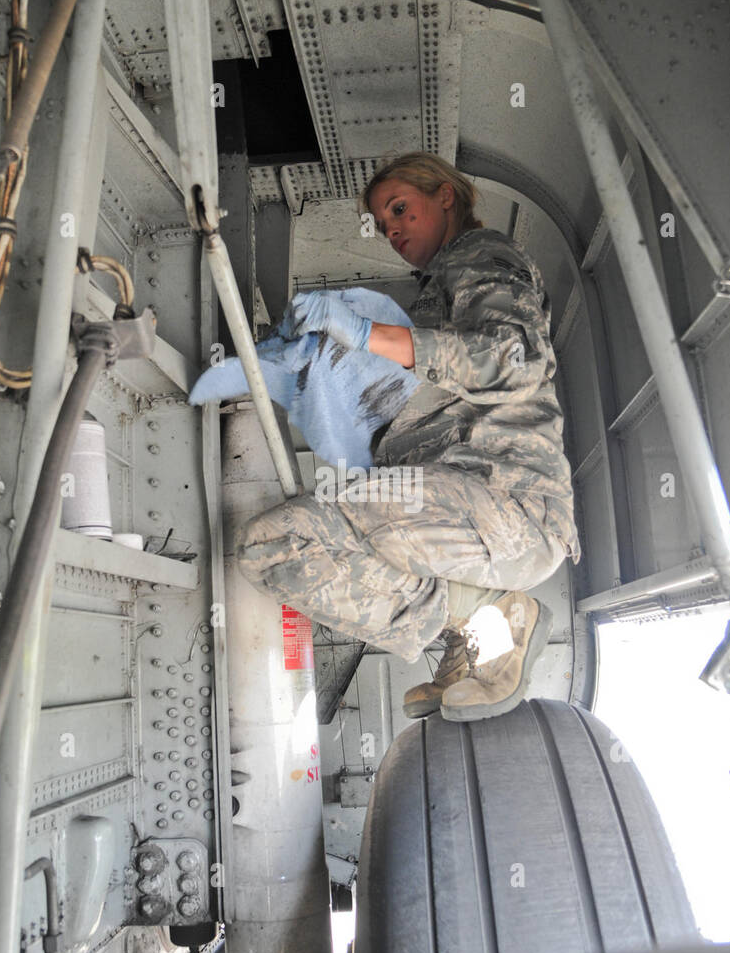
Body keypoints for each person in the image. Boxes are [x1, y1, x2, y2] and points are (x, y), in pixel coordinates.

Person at [236, 151, 580, 721]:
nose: (392, 230)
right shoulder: (439, 288)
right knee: (279, 545)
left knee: (277, 542)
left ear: (446, 195)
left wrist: (370, 334)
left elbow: (512, 360)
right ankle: (471, 626)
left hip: (508, 503)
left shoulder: (482, 254)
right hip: (465, 513)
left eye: (400, 209)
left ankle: (490, 613)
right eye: (383, 223)